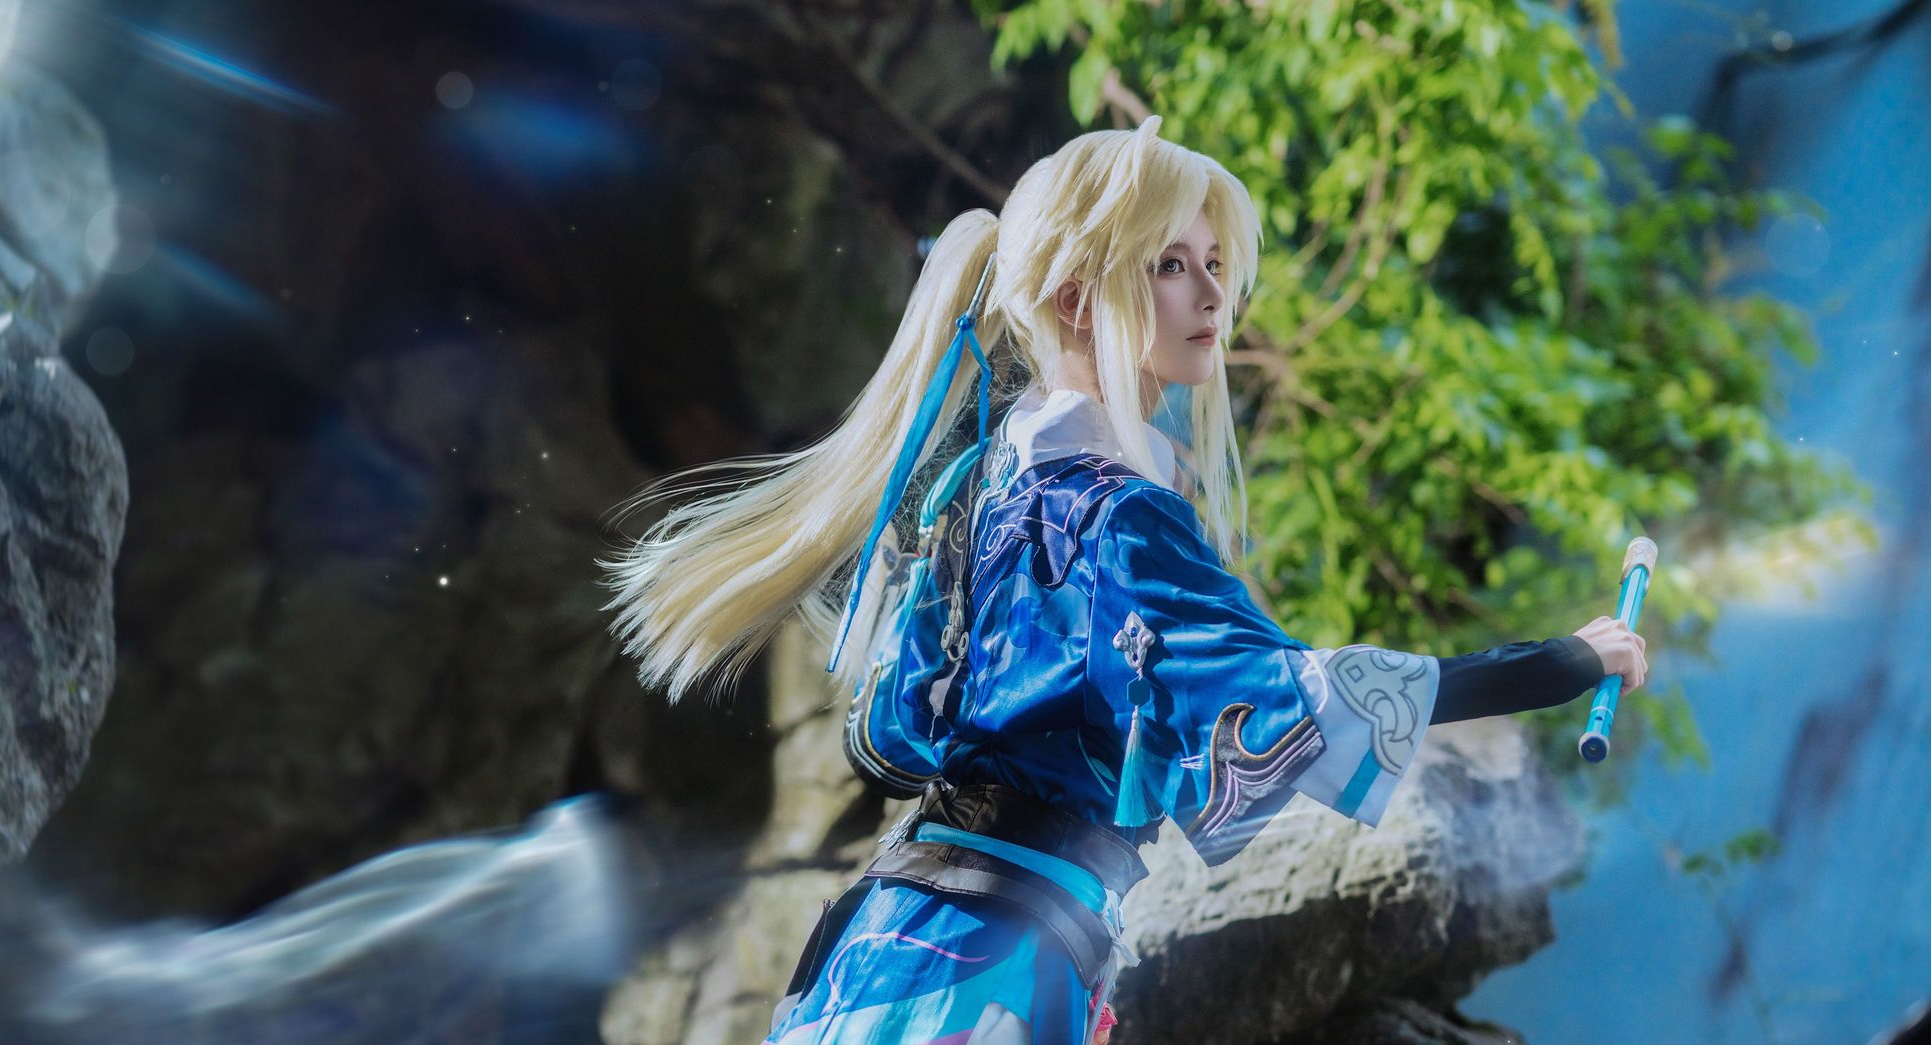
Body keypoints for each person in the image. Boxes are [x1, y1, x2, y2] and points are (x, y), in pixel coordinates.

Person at [599, 116, 1649, 1045]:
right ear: (1074, 295)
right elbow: (1302, 699)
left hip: (909, 939)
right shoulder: (1110, 515)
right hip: (985, 958)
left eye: (1213, 262)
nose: (1213, 294)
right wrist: (1559, 662)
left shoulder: (988, 483)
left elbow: (895, 737)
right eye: (1171, 265)